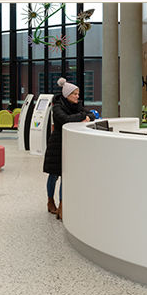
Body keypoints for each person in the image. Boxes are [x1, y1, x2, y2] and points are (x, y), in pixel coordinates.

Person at [43, 77, 89, 220]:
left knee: (65, 176)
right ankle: (50, 201)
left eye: (78, 93)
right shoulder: (57, 107)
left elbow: (91, 114)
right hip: (57, 144)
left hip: (69, 145)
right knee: (54, 175)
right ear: (67, 95)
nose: (77, 96)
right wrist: (82, 116)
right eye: (75, 94)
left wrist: (83, 116)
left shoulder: (78, 105)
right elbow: (65, 120)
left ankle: (63, 205)